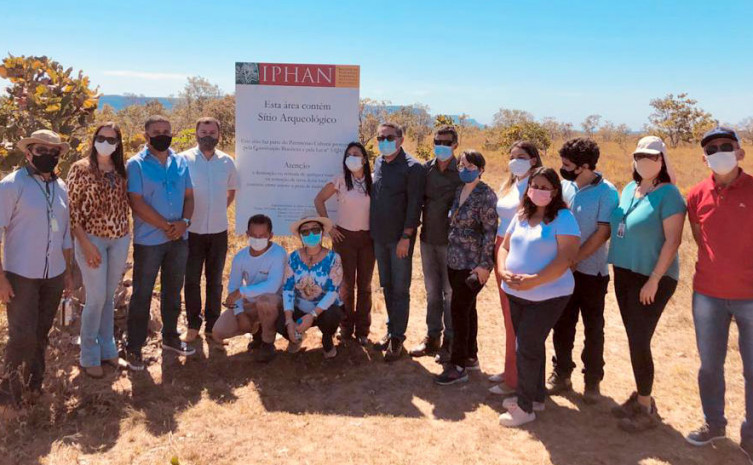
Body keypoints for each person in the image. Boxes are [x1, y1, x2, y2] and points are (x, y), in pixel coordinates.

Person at [684, 127, 753, 462]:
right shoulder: (696, 194)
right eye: (712, 149)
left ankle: (751, 437)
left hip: (751, 296)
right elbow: (701, 238)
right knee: (710, 366)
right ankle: (714, 424)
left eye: (726, 146)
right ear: (704, 158)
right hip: (708, 295)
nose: (719, 152)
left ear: (740, 152)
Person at [608, 136, 685, 432]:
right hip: (625, 272)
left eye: (652, 156)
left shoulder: (670, 195)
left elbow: (673, 241)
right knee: (634, 337)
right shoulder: (630, 188)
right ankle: (642, 396)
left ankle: (645, 407)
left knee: (640, 338)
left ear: (662, 160)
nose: (645, 161)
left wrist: (654, 280)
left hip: (652, 277)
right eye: (640, 156)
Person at [497, 167, 580, 427]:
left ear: (555, 191)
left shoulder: (564, 218)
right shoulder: (522, 214)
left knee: (526, 347)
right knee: (532, 346)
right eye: (535, 186)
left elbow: (566, 258)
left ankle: (524, 408)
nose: (538, 191)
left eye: (545, 188)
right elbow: (505, 247)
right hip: (516, 293)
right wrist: (502, 270)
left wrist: (534, 280)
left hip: (549, 295)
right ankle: (534, 397)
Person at [0, 129, 74, 418]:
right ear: (29, 152)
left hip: (54, 274)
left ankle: (34, 387)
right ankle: (8, 395)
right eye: (41, 150)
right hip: (21, 275)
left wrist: (67, 273)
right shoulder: (11, 185)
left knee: (41, 333)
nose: (48, 155)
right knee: (22, 336)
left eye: (54, 152)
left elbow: (65, 235)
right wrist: (1, 279)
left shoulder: (62, 187)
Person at [548, 138, 619, 403]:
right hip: (564, 271)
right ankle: (562, 373)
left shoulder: (607, 192)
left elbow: (603, 232)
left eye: (567, 164)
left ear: (585, 166)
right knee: (562, 324)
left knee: (593, 328)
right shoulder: (564, 186)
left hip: (593, 273)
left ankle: (592, 380)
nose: (563, 168)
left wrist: (576, 258)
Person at [125, 115, 196, 371]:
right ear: (146, 136)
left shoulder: (180, 162)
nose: (162, 135)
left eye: (166, 130)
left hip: (179, 238)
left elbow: (189, 196)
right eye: (156, 132)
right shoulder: (136, 164)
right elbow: (136, 202)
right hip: (149, 241)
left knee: (173, 290)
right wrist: (166, 226)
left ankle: (170, 337)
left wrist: (184, 222)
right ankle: (134, 347)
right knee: (142, 293)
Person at [67, 123, 131, 378]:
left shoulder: (121, 169)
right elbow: (72, 211)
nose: (106, 142)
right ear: (94, 139)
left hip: (120, 239)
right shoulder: (80, 168)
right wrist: (85, 244)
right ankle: (89, 355)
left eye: (111, 139)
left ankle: (108, 349)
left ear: (118, 143)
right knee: (95, 298)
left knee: (108, 297)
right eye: (101, 137)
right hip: (91, 239)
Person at [434, 151, 498, 385]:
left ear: (481, 169)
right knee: (468, 309)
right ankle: (471, 356)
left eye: (470, 166)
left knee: (459, 311)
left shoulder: (486, 195)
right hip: (454, 260)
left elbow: (490, 232)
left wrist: (484, 265)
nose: (464, 169)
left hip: (473, 264)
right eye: (461, 165)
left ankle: (458, 365)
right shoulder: (459, 190)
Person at [489, 141, 543, 396]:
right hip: (502, 247)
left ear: (533, 160)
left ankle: (516, 380)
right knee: (509, 316)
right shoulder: (513, 183)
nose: (514, 161)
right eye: (512, 156)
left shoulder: (536, 186)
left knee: (518, 319)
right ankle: (510, 368)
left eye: (521, 156)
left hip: (519, 250)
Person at [369, 122, 425, 361]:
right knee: (387, 286)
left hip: (399, 240)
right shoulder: (378, 162)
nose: (384, 141)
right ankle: (391, 330)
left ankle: (398, 339)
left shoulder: (413, 168)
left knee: (401, 289)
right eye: (380, 138)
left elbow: (415, 205)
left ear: (400, 140)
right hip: (379, 237)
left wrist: (406, 237)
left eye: (389, 137)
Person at [180, 117, 238, 344]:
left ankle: (213, 326)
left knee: (215, 280)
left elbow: (232, 191)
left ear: (219, 135)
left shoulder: (227, 161)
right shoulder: (183, 159)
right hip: (191, 231)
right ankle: (193, 324)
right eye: (203, 132)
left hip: (218, 230)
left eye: (212, 132)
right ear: (196, 133)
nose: (208, 136)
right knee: (192, 280)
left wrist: (218, 209)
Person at [410, 125, 463, 363]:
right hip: (428, 239)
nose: (441, 146)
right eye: (437, 142)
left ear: (455, 145)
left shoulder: (462, 172)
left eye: (446, 142)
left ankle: (450, 341)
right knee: (432, 292)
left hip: (451, 243)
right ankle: (432, 338)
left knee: (450, 294)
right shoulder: (426, 170)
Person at [314, 142, 374, 346]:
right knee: (346, 285)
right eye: (348, 155)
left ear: (364, 159)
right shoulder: (339, 180)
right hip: (344, 239)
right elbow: (319, 200)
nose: (352, 158)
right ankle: (346, 327)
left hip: (368, 239)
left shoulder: (374, 180)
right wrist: (329, 227)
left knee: (364, 285)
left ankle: (363, 330)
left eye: (356, 154)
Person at [214, 214, 286, 363]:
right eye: (254, 235)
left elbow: (272, 286)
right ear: (247, 234)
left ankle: (267, 343)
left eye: (262, 236)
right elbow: (233, 286)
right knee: (218, 331)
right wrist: (239, 313)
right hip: (250, 302)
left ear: (271, 235)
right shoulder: (240, 257)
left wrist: (241, 292)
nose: (257, 239)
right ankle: (256, 332)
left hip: (275, 302)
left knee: (265, 302)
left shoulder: (279, 254)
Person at [276, 212, 344, 359]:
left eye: (315, 229)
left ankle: (327, 339)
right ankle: (297, 337)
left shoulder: (334, 258)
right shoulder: (293, 257)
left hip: (323, 310)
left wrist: (312, 315)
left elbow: (333, 292)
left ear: (322, 232)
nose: (311, 234)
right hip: (299, 308)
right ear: (300, 236)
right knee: (279, 321)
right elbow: (288, 289)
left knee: (333, 315)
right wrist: (289, 320)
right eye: (305, 231)